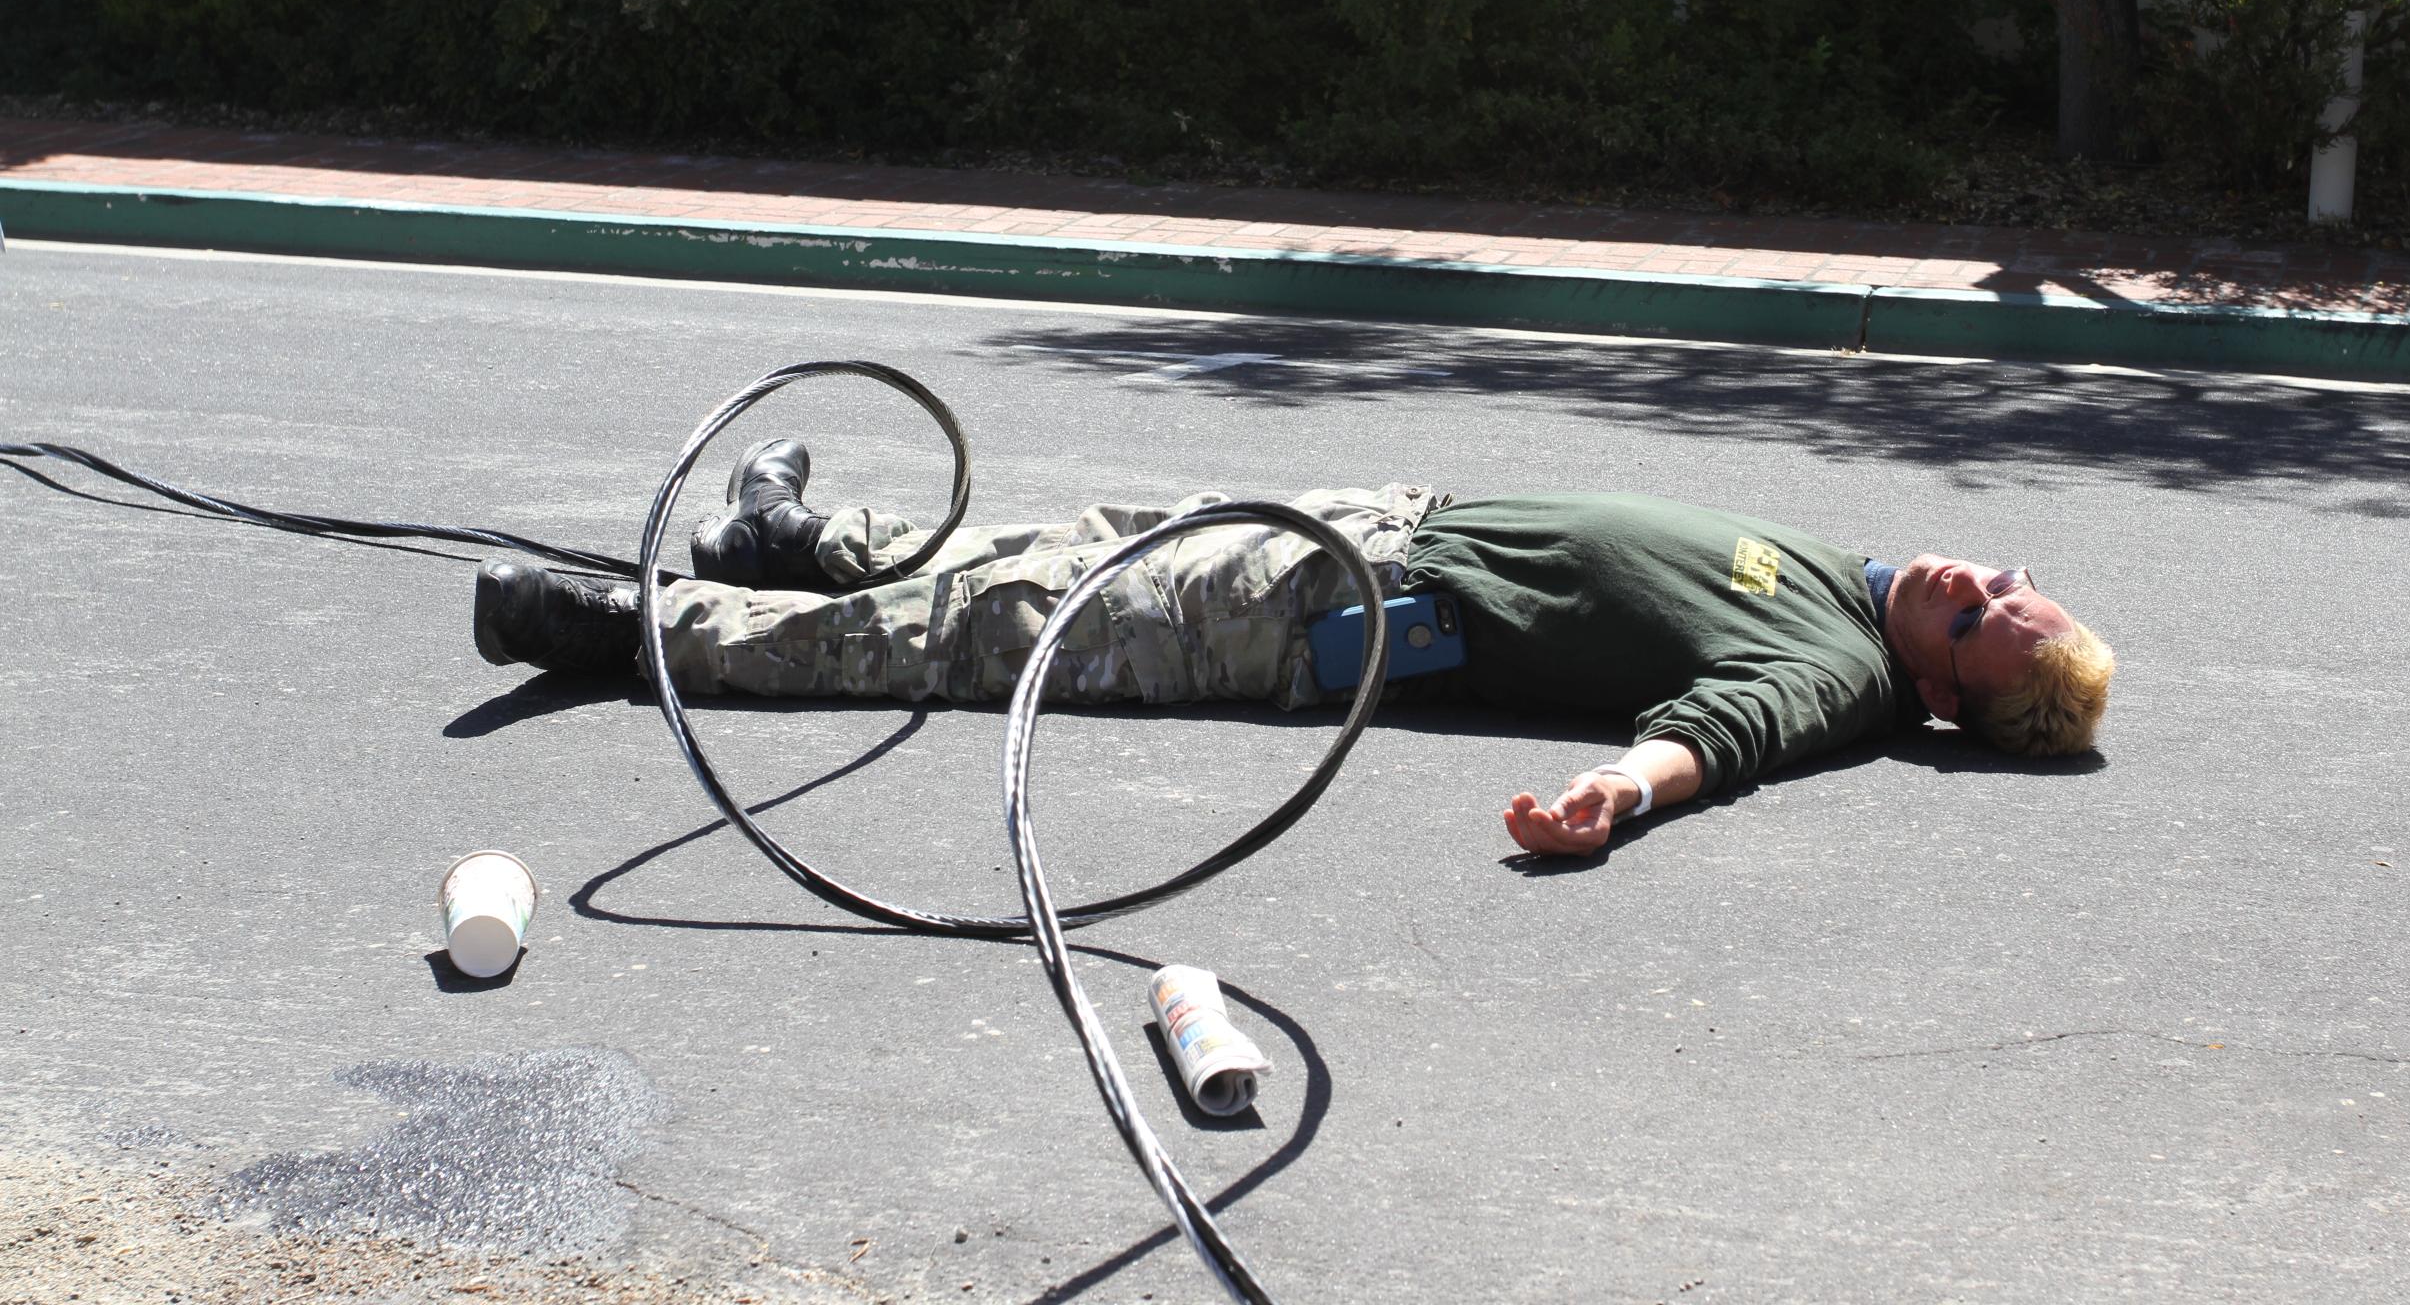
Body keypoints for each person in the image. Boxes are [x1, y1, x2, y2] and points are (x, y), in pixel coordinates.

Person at [473, 439, 2114, 857]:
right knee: (1049, 548)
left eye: (1979, 624)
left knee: (991, 631)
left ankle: (629, 628)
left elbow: (1721, 737)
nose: (1970, 583)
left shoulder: (1839, 676)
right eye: (2006, 580)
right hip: (1383, 522)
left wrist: (1614, 796)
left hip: (1330, 613)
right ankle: (791, 546)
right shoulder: (1856, 584)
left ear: (1945, 698)